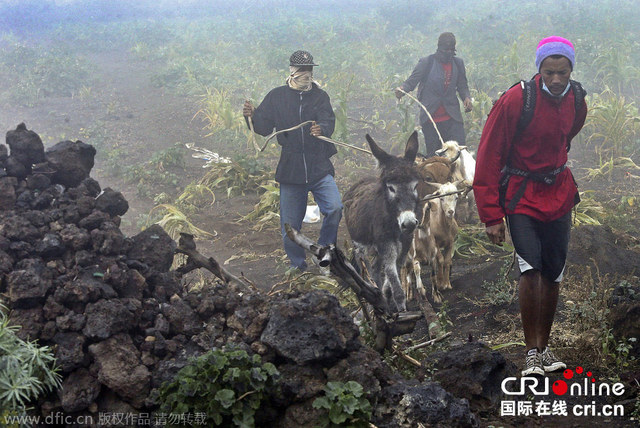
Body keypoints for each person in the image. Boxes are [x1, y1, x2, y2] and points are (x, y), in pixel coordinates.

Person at [473, 36, 587, 376]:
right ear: (539, 69)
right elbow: (489, 156)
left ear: (570, 71)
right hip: (521, 195)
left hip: (559, 193)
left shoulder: (577, 99)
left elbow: (568, 134)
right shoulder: (516, 100)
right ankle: (531, 353)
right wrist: (491, 215)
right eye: (549, 72)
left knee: (553, 272)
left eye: (562, 73)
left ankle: (545, 346)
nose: (555, 79)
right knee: (531, 269)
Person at [243, 50, 342, 273]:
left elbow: (328, 120)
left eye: (309, 70)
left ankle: (324, 251)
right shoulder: (277, 96)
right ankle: (297, 266)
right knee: (290, 227)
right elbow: (263, 127)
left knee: (335, 208)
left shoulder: (320, 96)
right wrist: (251, 114)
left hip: (319, 165)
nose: (306, 74)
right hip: (291, 168)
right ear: (292, 71)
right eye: (301, 70)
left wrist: (322, 128)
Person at [395, 32, 473, 157]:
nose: (448, 53)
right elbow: (412, 81)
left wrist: (467, 98)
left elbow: (462, 85)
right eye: (445, 50)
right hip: (431, 119)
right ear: (439, 49)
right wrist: (402, 89)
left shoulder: (458, 63)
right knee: (435, 158)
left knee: (460, 155)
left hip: (452, 118)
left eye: (451, 50)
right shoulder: (427, 62)